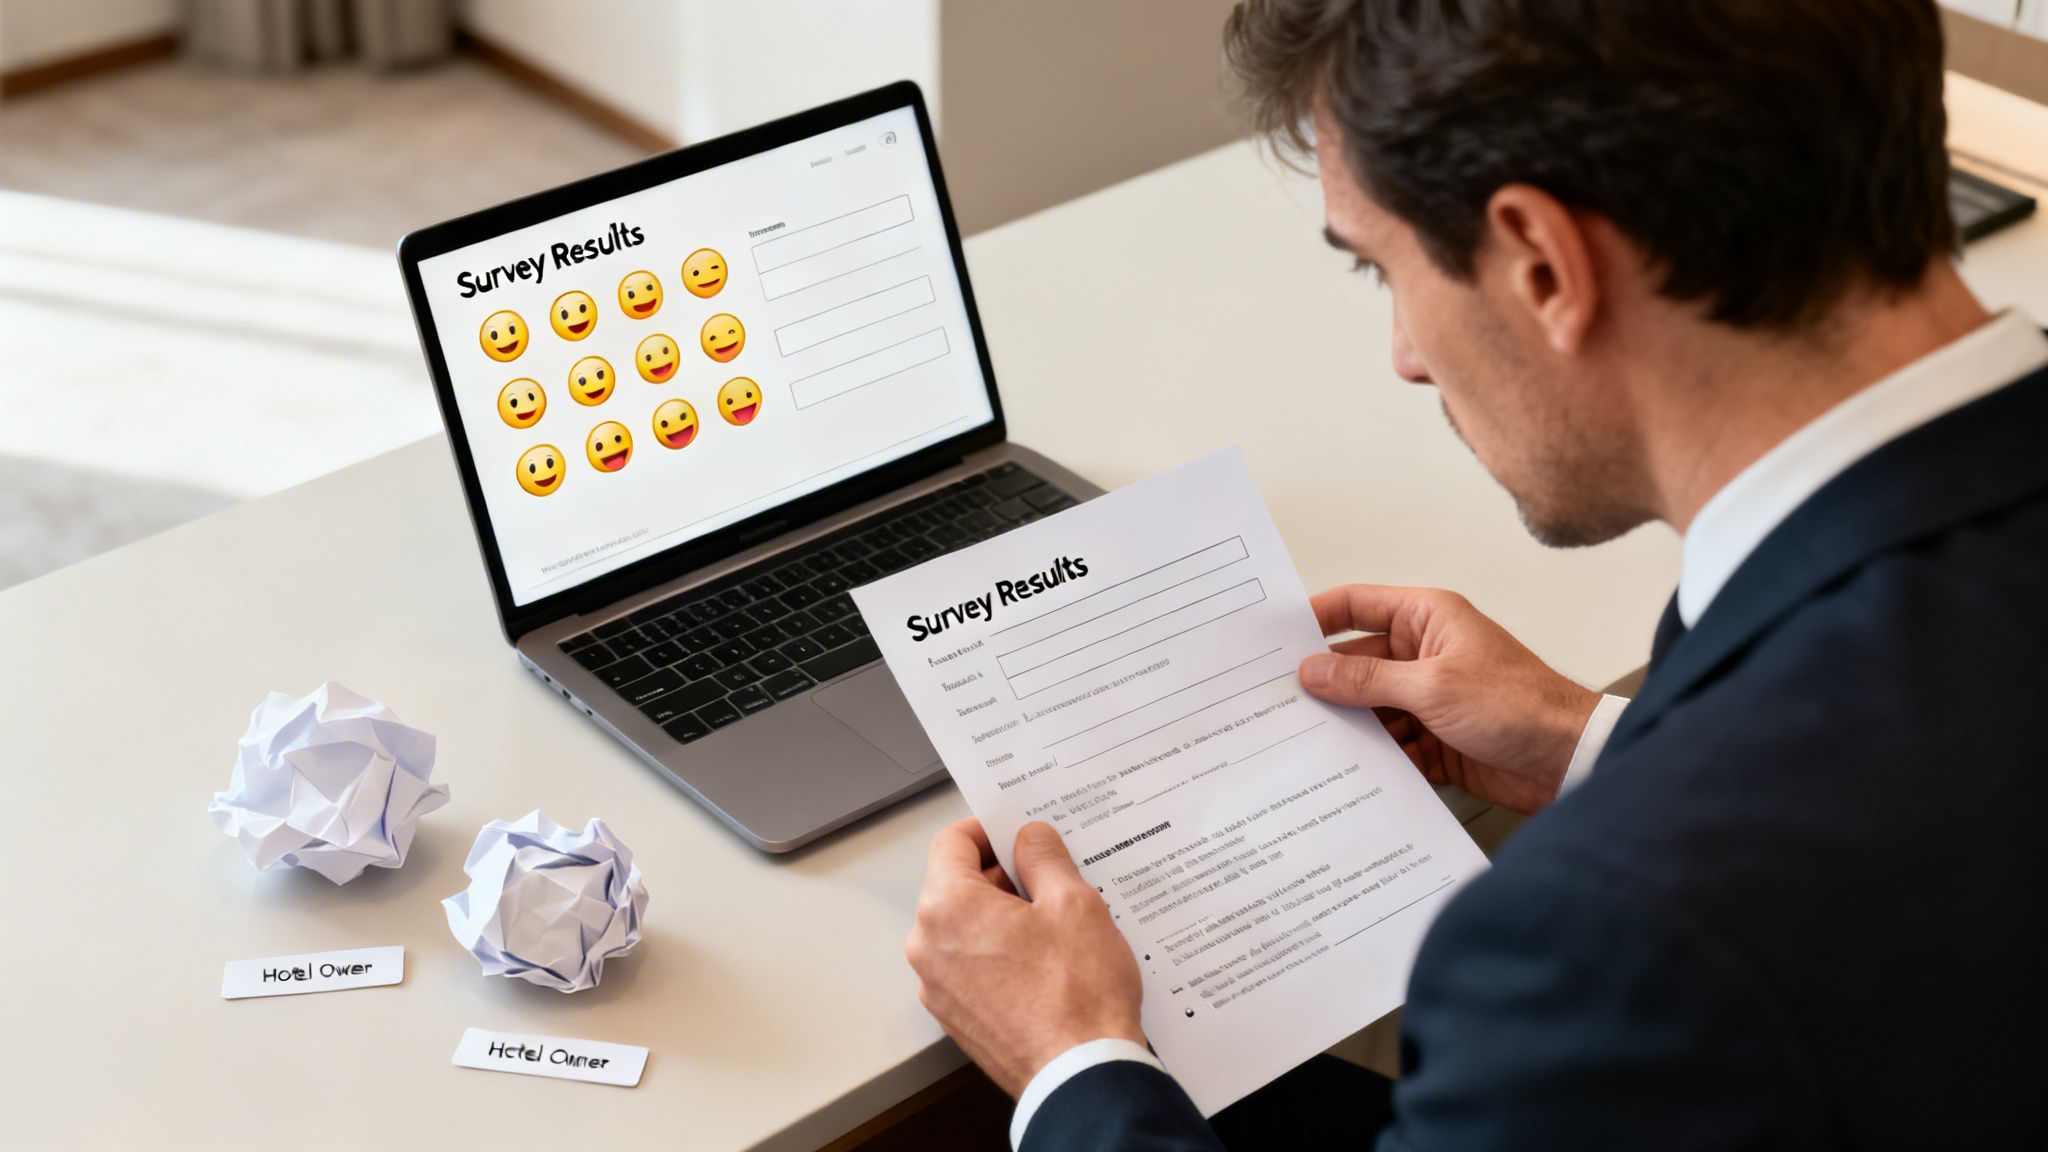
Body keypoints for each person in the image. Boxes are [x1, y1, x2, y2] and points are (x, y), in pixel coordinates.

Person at [906, 0, 2048, 1148]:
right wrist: (1593, 744)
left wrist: (1073, 1067)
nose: (1404, 358)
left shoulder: (1606, 939)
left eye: (1383, 270)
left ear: (1541, 264)